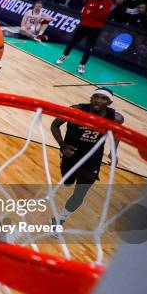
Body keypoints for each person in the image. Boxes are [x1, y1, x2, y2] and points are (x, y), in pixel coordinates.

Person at [50, 88, 123, 226]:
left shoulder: (116, 118)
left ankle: (60, 219)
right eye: (96, 96)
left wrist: (113, 152)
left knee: (80, 193)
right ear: (91, 98)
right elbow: (55, 126)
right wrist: (62, 145)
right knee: (67, 182)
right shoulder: (76, 110)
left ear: (109, 102)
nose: (98, 100)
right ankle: (66, 172)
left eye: (103, 98)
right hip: (71, 153)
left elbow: (117, 133)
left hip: (92, 157)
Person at [56, 0, 112, 74]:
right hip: (84, 25)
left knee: (88, 48)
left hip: (95, 28)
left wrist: (91, 13)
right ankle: (64, 56)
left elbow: (103, 15)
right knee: (72, 42)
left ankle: (82, 65)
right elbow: (84, 12)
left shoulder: (108, 2)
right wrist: (93, 13)